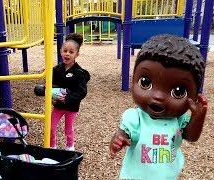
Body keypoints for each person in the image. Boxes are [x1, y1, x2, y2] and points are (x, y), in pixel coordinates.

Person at [109, 34, 208, 179]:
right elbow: (123, 133)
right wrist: (118, 139)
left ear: (193, 96)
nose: (158, 97)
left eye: (178, 92)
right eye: (145, 82)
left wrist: (198, 118)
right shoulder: (136, 118)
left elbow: (191, 136)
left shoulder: (179, 119)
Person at [50, 33, 90, 151]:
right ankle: (52, 146)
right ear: (61, 51)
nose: (67, 54)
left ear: (76, 54)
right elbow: (52, 85)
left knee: (68, 128)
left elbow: (82, 91)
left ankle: (70, 146)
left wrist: (67, 98)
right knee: (51, 127)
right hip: (58, 105)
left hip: (71, 106)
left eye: (71, 52)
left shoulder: (79, 72)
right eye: (65, 51)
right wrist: (52, 94)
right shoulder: (56, 69)